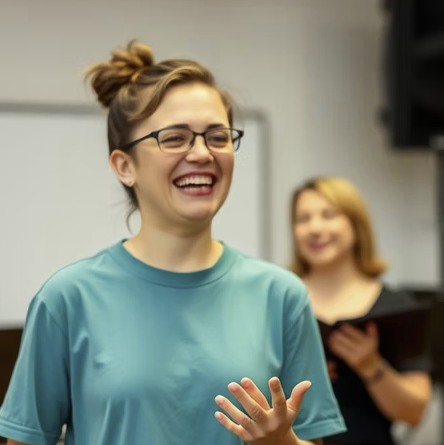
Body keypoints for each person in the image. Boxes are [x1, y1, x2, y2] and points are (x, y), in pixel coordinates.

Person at [0, 41, 346, 445]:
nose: (201, 153)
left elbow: (309, 438)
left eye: (217, 136)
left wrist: (280, 443)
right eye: (175, 138)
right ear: (124, 166)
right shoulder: (66, 299)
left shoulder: (281, 296)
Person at [289, 177, 433, 445]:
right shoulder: (279, 302)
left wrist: (370, 365)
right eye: (303, 219)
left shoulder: (397, 306)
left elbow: (414, 412)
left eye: (328, 215)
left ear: (356, 225)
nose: (315, 228)